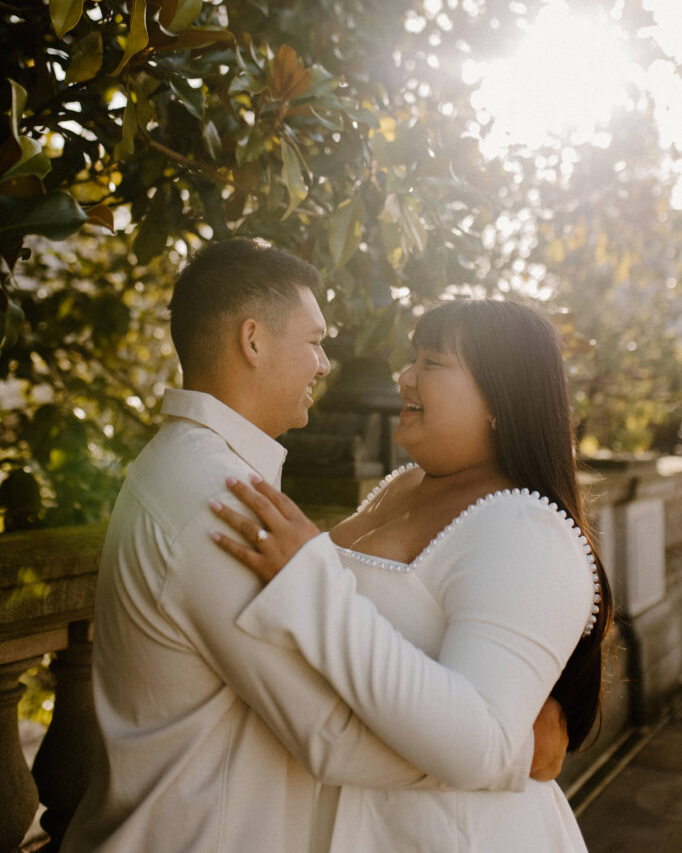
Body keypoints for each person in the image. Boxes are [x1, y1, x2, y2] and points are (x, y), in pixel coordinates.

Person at [61, 243, 564, 853]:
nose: (326, 364)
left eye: (430, 362)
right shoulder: (219, 502)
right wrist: (513, 749)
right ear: (253, 341)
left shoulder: (196, 472)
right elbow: (331, 734)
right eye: (315, 340)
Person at [209, 298, 613, 852]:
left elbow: (476, 745)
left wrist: (310, 581)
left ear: (501, 398)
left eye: (433, 363)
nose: (405, 377)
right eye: (413, 359)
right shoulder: (402, 485)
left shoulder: (525, 529)